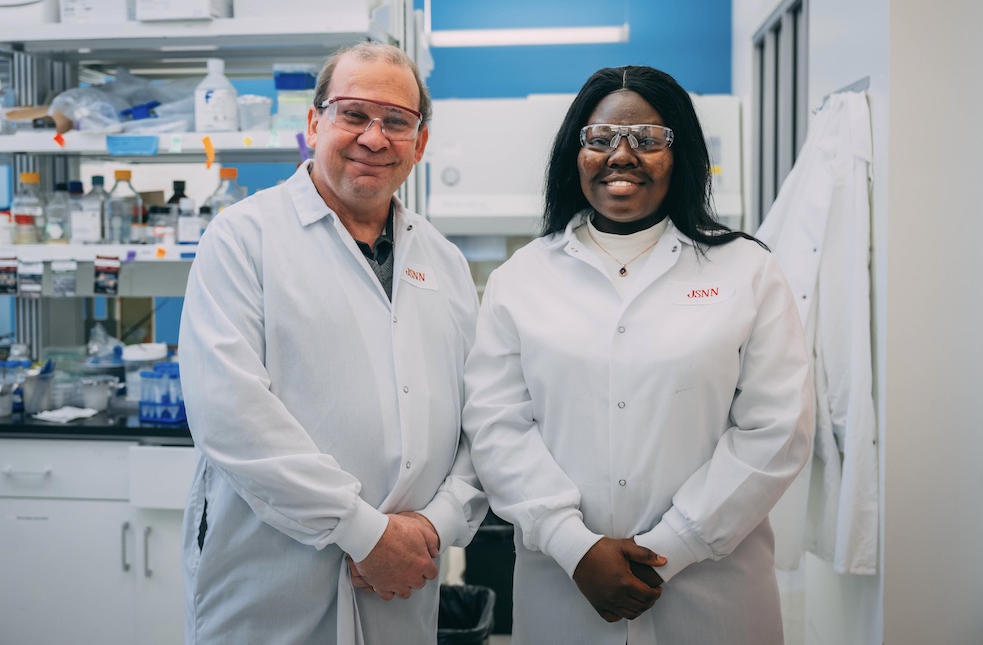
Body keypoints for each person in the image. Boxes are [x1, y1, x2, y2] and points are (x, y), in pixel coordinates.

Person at [462, 65, 814, 644]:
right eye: (599, 139)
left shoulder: (747, 271)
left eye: (648, 139)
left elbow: (776, 430)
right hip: (564, 587)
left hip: (713, 594)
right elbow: (496, 427)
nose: (620, 155)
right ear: (574, 154)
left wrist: (670, 547)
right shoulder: (520, 279)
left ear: (681, 154)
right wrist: (574, 546)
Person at [178, 42, 487, 645]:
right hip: (269, 583)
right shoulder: (243, 238)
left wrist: (436, 523)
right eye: (353, 114)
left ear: (419, 144)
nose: (374, 137)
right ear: (315, 122)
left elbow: (481, 415)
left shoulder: (444, 263)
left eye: (397, 121)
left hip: (405, 581)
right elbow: (232, 416)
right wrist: (365, 533)